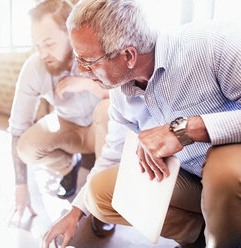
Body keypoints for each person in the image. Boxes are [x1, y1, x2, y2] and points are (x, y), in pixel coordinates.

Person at [42, 0, 241, 247]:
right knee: (99, 192)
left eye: (88, 60)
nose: (81, 70)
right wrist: (74, 214)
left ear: (128, 55)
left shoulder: (213, 43)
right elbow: (111, 156)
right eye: (77, 58)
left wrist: (186, 129)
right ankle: (206, 236)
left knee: (222, 171)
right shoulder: (119, 90)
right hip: (188, 178)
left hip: (229, 175)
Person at [7, 0, 110, 227]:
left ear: (70, 33)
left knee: (107, 109)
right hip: (68, 126)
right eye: (37, 45)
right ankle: (70, 167)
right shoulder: (34, 67)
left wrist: (87, 85)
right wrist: (21, 186)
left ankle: (104, 203)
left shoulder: (99, 50)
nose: (43, 53)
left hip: (101, 129)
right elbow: (17, 127)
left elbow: (128, 100)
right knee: (25, 147)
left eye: (49, 43)